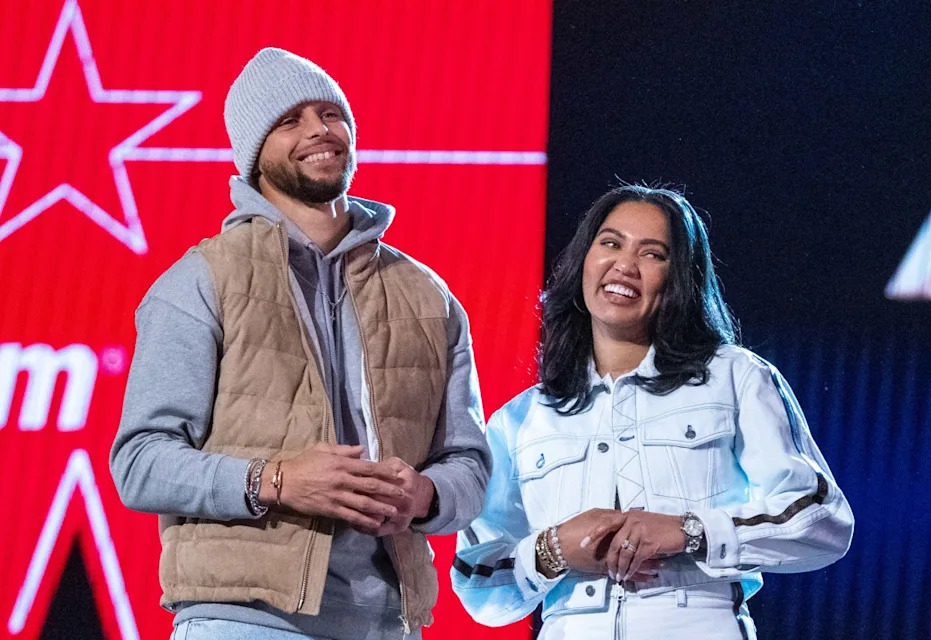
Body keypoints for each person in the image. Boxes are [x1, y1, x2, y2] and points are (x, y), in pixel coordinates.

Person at [110, 47, 491, 640]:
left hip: (387, 625)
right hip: (242, 620)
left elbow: (469, 463)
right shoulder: (203, 279)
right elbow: (140, 462)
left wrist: (424, 495)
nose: (319, 130)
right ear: (253, 154)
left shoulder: (426, 294)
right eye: (290, 120)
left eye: (331, 114)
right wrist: (279, 480)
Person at [451, 184, 854, 639]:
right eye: (610, 243)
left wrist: (690, 532)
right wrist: (554, 549)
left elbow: (824, 520)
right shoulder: (520, 419)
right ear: (583, 261)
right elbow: (477, 583)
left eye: (653, 254)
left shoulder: (736, 377)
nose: (625, 265)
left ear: (680, 278)